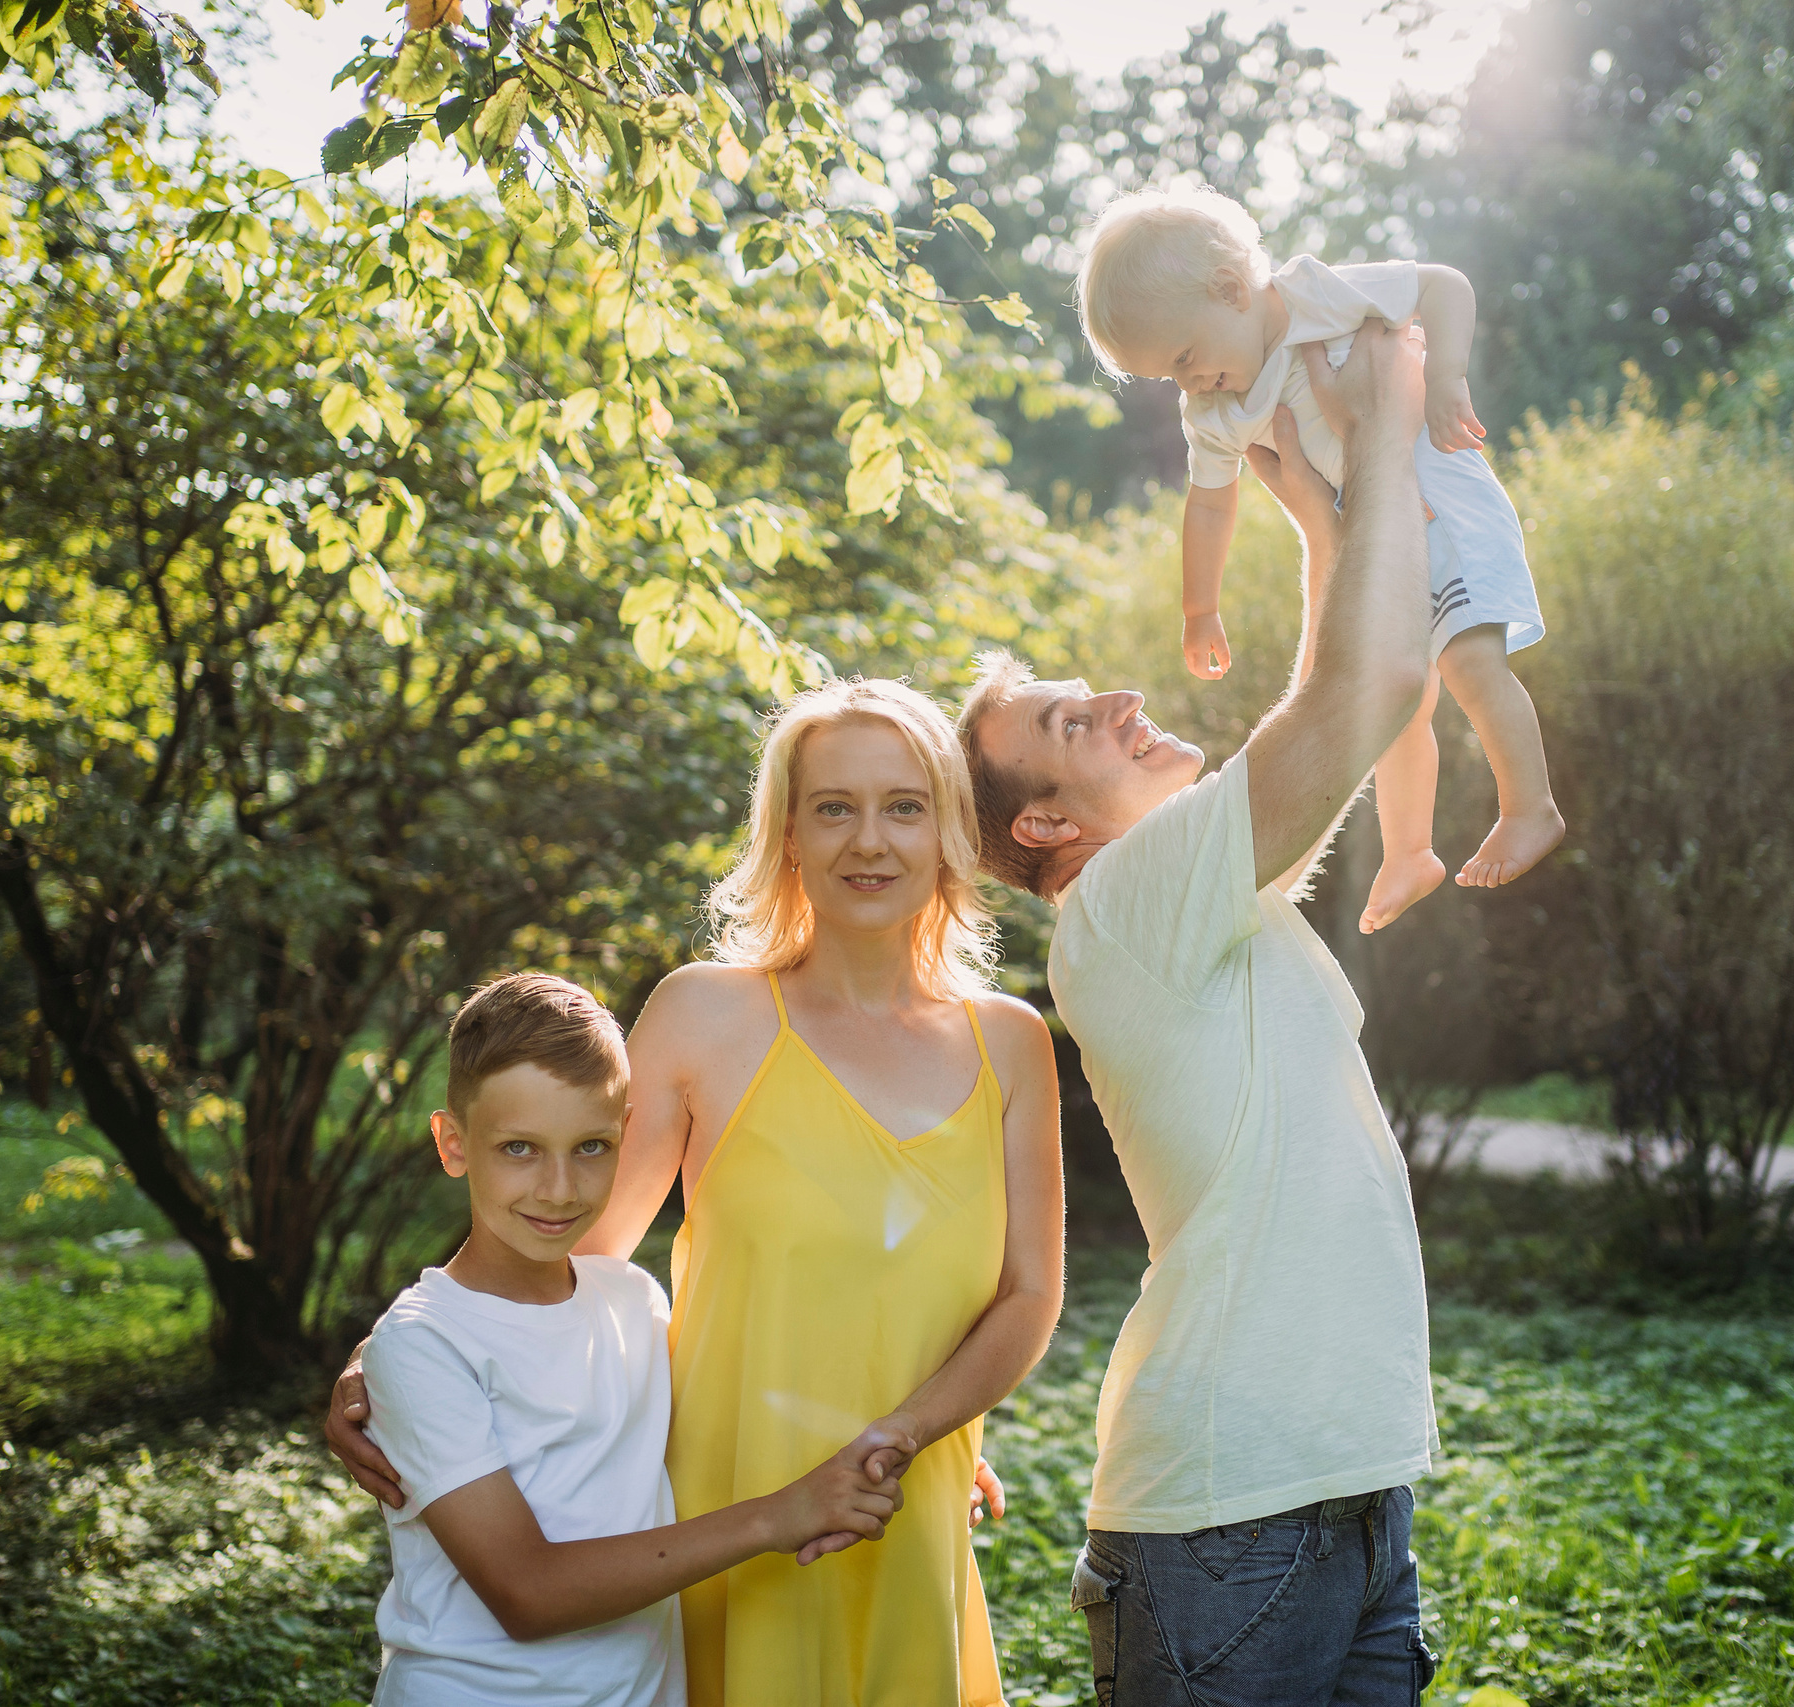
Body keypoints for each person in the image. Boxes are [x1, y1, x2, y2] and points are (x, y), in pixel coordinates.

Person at [332, 680, 1065, 1707]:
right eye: (832, 806)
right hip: (719, 1506)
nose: (869, 840)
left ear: (948, 829)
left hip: (906, 1500)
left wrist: (900, 1434)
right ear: (788, 834)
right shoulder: (703, 1015)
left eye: (902, 805)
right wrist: (387, 1360)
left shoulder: (1011, 1044)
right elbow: (567, 1240)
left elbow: (1029, 1298)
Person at [956, 319, 1444, 1706]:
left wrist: (1310, 505)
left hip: (1345, 1494)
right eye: (1065, 721)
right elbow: (1367, 690)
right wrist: (1389, 419)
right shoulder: (1123, 903)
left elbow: (1348, 680)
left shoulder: (1199, 900)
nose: (1114, 697)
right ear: (1046, 820)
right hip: (1234, 1520)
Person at [355, 971, 904, 1707]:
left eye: (590, 1146)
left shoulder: (632, 1299)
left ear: (626, 1132)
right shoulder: (425, 1345)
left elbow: (737, 1405)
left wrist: (903, 1440)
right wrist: (779, 1515)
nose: (558, 1187)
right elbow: (528, 1592)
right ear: (453, 1143)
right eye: (519, 1148)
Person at [1075, 185, 1565, 933]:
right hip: (1380, 535)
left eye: (1186, 356)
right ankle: (1409, 850)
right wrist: (1199, 606)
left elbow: (1444, 286)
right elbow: (1209, 504)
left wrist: (1446, 378)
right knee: (1392, 700)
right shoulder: (1212, 411)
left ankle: (1531, 806)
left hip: (1443, 499)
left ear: (1233, 290)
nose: (1189, 383)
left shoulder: (1316, 296)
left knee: (1470, 664)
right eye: (1167, 377)